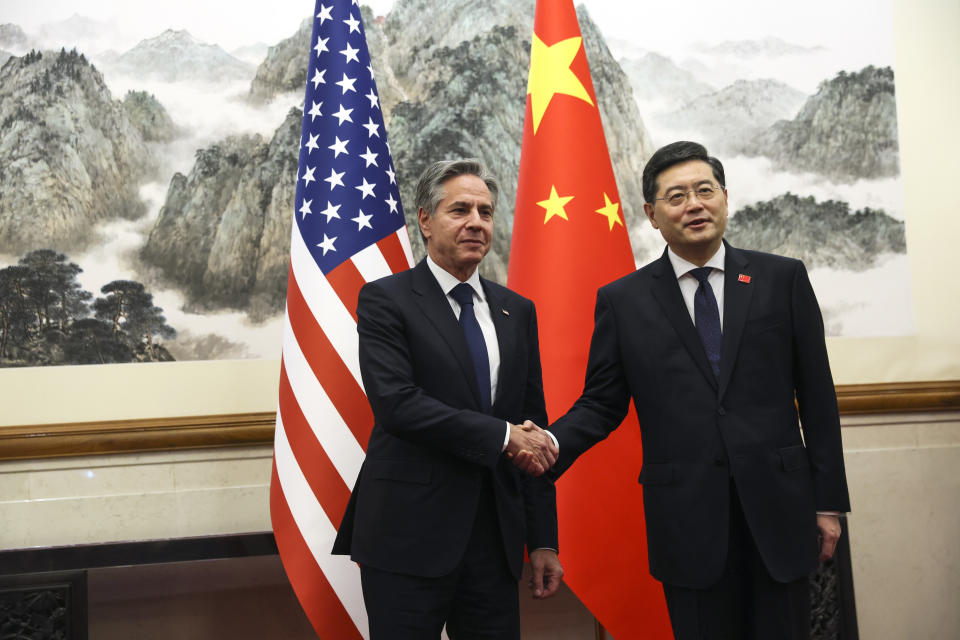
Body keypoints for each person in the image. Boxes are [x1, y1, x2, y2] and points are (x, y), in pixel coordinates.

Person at [547, 141, 851, 639]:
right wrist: (549, 447)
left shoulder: (782, 279)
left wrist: (828, 502)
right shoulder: (624, 302)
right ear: (652, 213)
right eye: (677, 196)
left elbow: (818, 399)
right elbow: (601, 403)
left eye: (705, 190)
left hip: (781, 509)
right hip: (686, 520)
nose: (694, 205)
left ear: (725, 198)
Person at [333, 159, 563, 639]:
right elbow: (397, 404)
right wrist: (502, 437)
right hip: (408, 534)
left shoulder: (516, 311)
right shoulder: (386, 299)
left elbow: (532, 428)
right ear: (424, 220)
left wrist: (543, 539)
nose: (476, 222)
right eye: (459, 209)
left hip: (495, 542)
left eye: (485, 211)